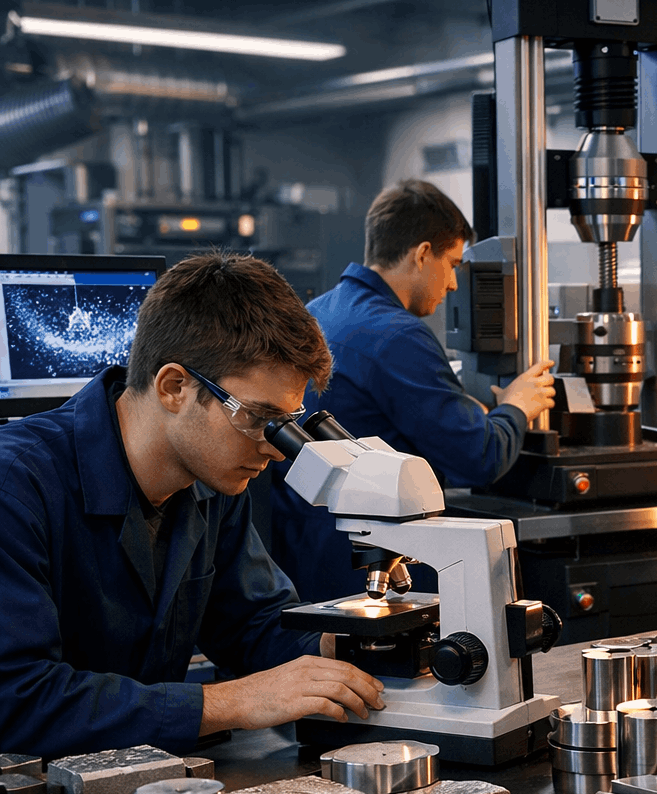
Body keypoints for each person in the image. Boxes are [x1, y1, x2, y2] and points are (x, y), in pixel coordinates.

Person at [0, 253, 385, 759]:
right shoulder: (17, 486)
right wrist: (226, 703)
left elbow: (252, 626)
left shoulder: (213, 483)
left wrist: (353, 646)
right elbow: (16, 698)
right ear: (174, 387)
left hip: (143, 783)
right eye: (258, 418)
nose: (273, 447)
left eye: (287, 422)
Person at [270, 179, 556, 602]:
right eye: (454, 263)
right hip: (376, 569)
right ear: (423, 254)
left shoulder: (318, 311)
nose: (455, 283)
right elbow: (480, 456)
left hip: (307, 561)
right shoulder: (398, 337)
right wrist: (517, 406)